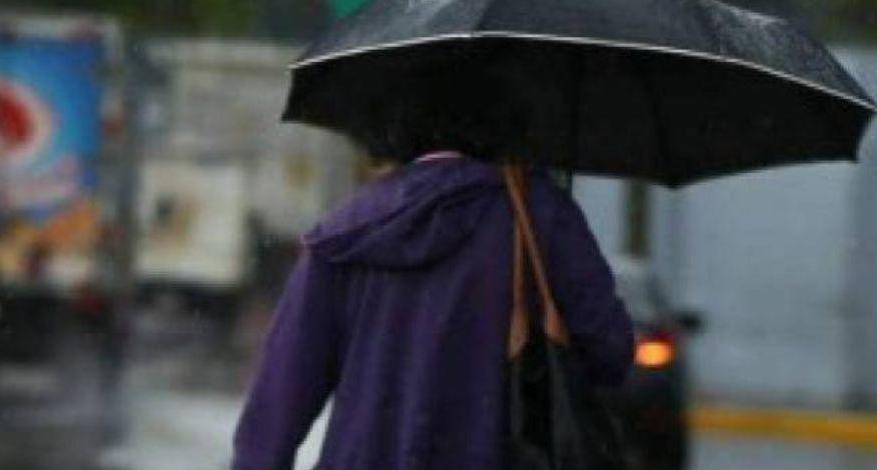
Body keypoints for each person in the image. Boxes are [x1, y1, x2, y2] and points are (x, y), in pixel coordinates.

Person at [232, 70, 635, 469]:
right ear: (507, 115)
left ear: (398, 118)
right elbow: (611, 351)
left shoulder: (343, 231)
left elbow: (278, 401)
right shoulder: (540, 216)